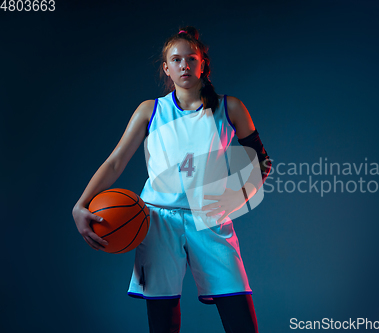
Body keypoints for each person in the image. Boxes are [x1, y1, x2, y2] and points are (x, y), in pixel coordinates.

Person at [72, 26, 272, 333]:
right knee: (163, 323)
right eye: (176, 60)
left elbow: (261, 161)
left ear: (202, 63)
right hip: (157, 221)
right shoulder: (150, 110)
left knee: (241, 321)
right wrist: (80, 205)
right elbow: (115, 162)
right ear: (166, 68)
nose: (184, 65)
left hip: (209, 218)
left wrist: (241, 195)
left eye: (191, 58)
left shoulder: (230, 107)